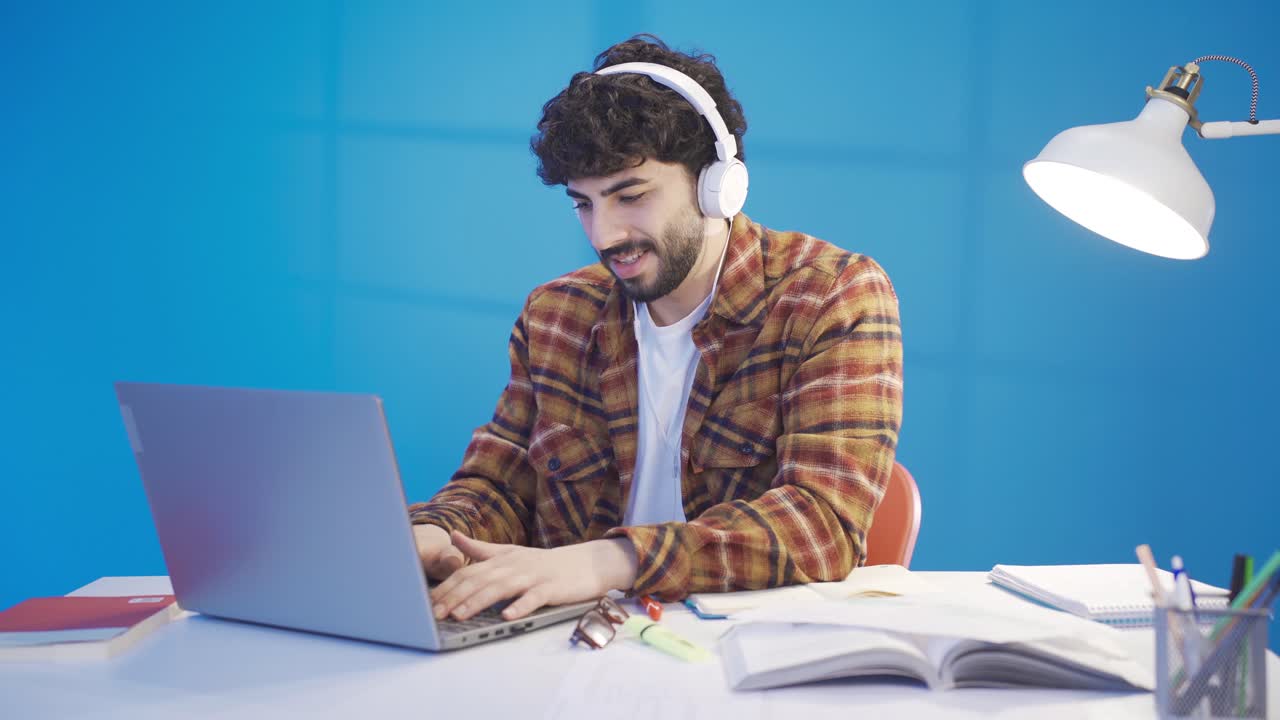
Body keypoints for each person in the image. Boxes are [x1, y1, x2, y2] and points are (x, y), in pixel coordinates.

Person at [410, 35, 903, 624]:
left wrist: (606, 561)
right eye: (584, 204)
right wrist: (438, 533)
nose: (604, 234)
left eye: (631, 196)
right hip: (572, 649)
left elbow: (822, 525)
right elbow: (499, 483)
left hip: (742, 651)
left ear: (716, 185)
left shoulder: (830, 295)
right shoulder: (556, 314)